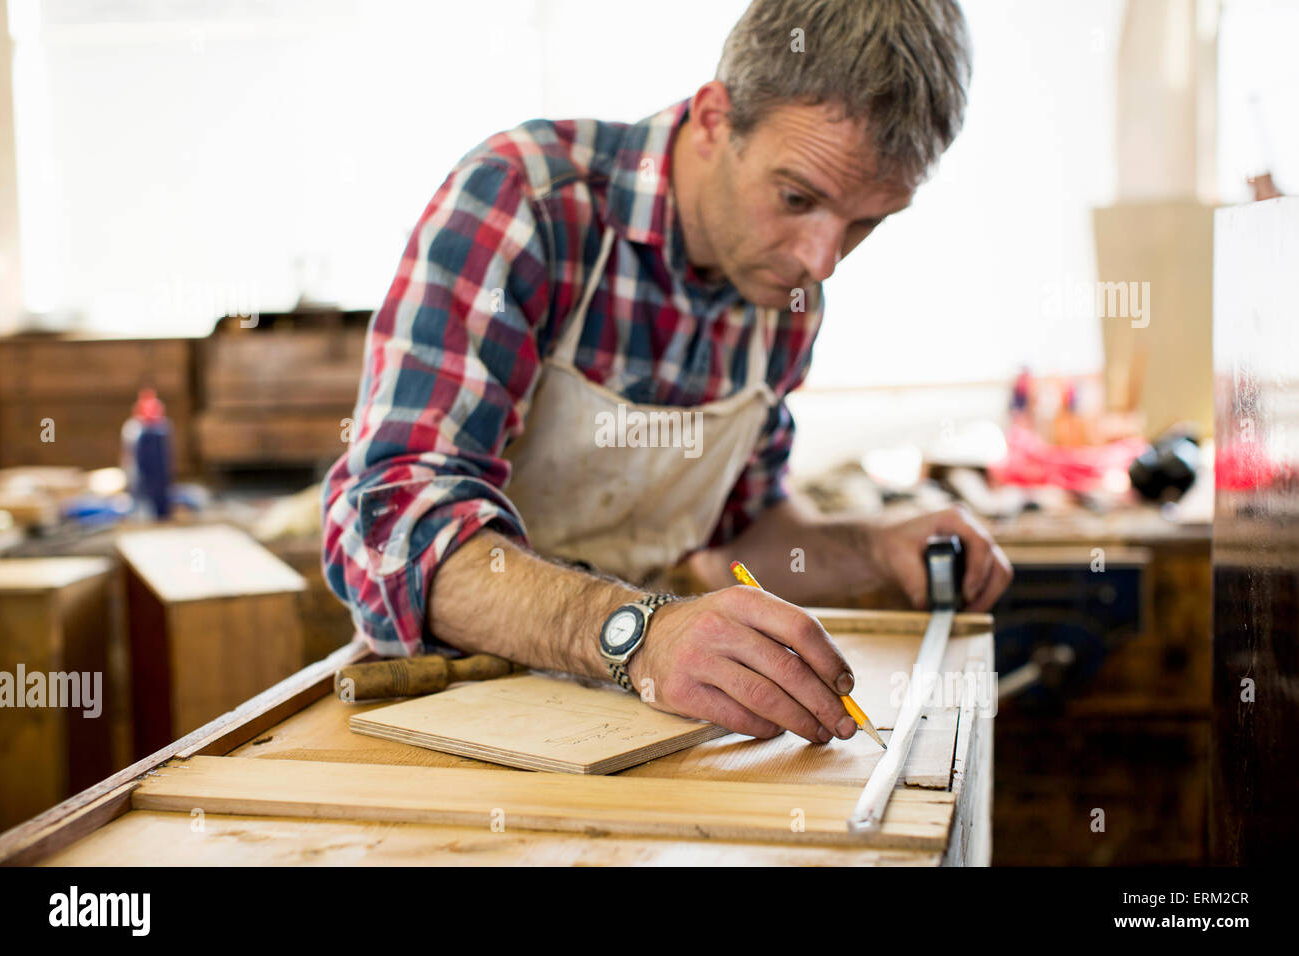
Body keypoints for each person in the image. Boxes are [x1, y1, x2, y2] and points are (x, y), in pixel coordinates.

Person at [323, 0, 1012, 745]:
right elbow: (394, 530)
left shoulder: (784, 297)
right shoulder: (529, 203)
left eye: (866, 222)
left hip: (629, 719)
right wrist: (641, 636)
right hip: (455, 711)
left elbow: (741, 534)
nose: (821, 259)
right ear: (716, 117)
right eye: (797, 198)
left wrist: (872, 547)